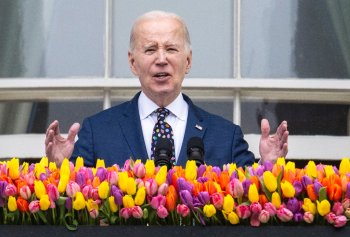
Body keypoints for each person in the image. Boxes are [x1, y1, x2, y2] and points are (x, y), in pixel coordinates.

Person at [45, 10, 288, 168]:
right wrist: (59, 169)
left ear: (188, 61)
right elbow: (75, 216)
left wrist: (270, 167)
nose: (161, 59)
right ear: (132, 62)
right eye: (150, 50)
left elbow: (251, 209)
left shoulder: (226, 136)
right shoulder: (98, 131)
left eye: (171, 49)